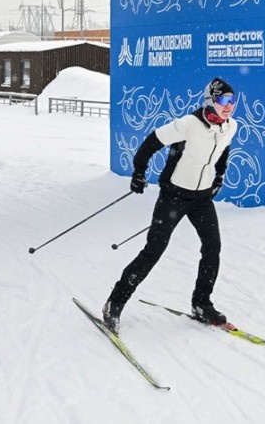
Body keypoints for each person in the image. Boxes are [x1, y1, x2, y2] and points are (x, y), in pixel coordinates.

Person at [102, 77, 239, 335]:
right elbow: (151, 142)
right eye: (223, 100)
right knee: (154, 250)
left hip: (202, 198)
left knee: (213, 247)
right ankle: (115, 303)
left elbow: (223, 152)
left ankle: (201, 304)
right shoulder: (189, 124)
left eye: (232, 101)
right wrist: (139, 172)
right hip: (173, 196)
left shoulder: (230, 127)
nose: (228, 106)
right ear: (210, 100)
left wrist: (218, 177)